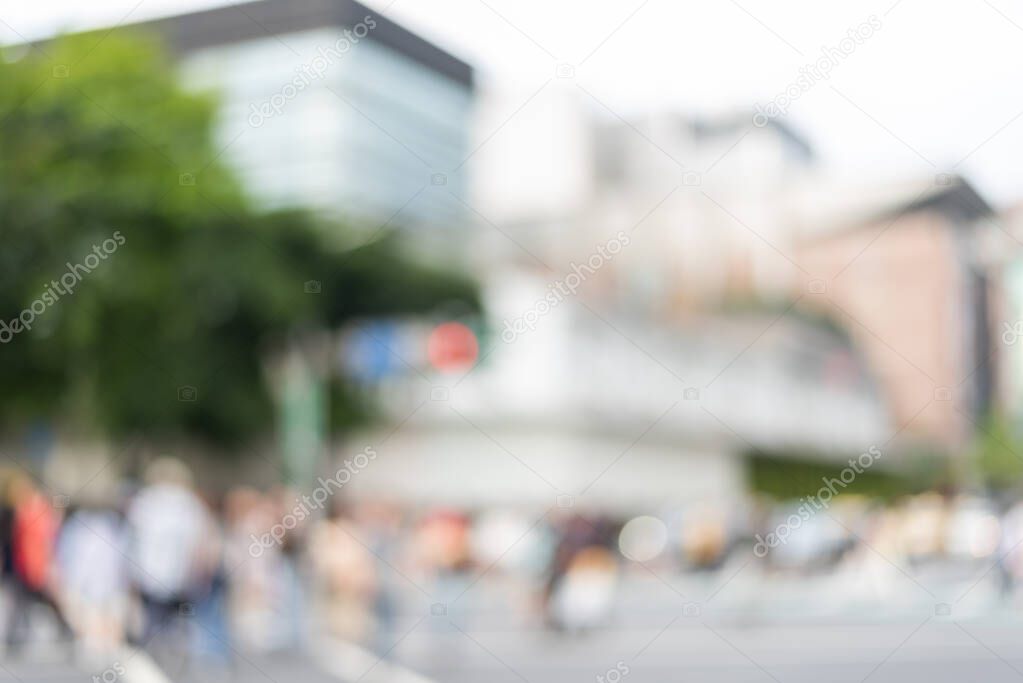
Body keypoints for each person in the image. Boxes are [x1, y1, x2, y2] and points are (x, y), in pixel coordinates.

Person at [126, 458, 212, 652]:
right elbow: (198, 541)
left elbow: (132, 539)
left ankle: (154, 649)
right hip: (178, 574)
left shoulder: (144, 501)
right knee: (177, 617)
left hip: (148, 572)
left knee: (153, 617)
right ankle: (177, 648)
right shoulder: (188, 503)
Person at [5, 473, 73, 654]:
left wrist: (49, 565)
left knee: (47, 601)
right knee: (22, 602)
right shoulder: (24, 509)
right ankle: (16, 637)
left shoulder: (39, 510)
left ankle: (67, 630)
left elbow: (46, 540)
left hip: (37, 564)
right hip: (23, 564)